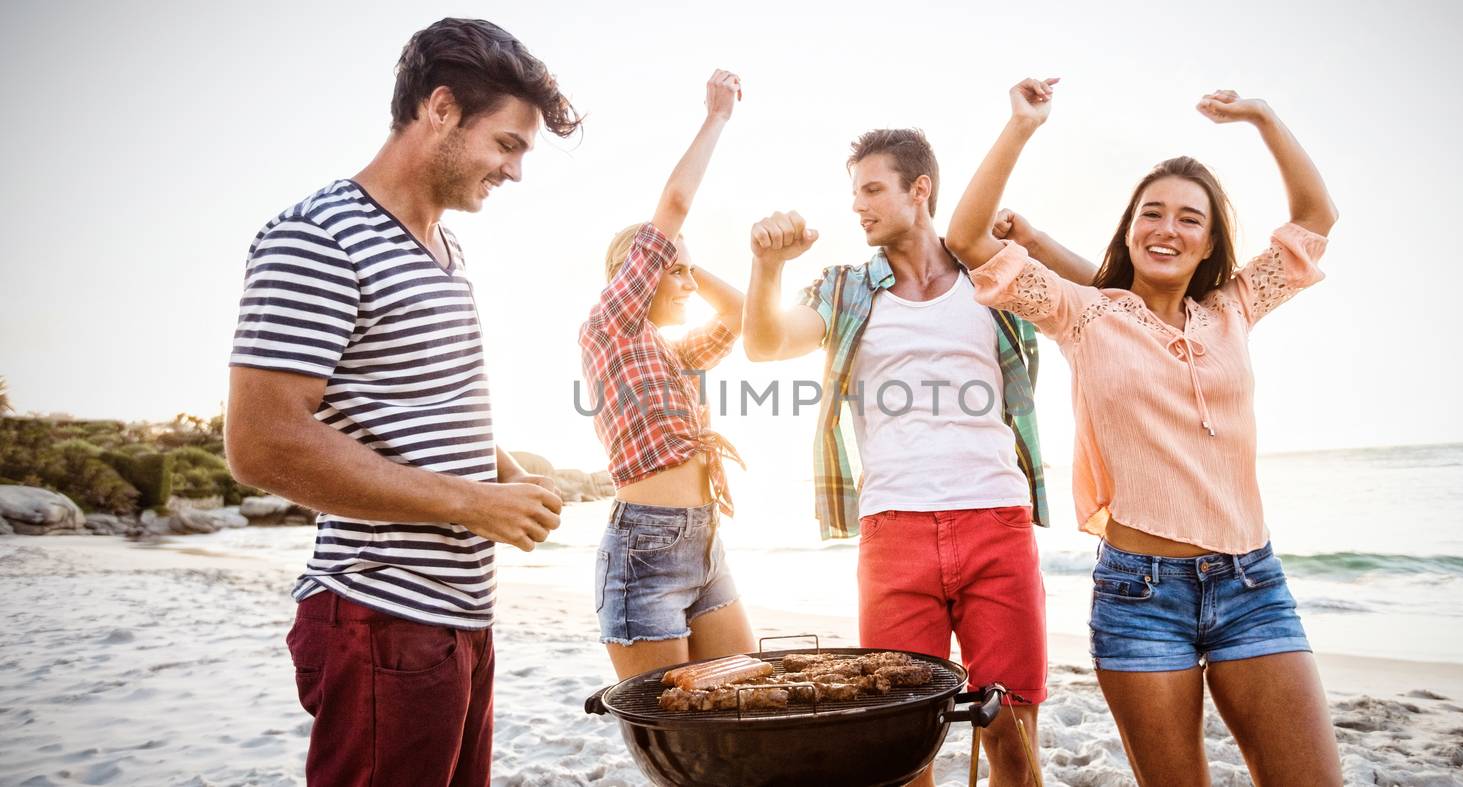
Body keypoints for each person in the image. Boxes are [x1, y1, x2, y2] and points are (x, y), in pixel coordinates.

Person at [943, 77, 1342, 786]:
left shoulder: (1234, 308)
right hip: (1140, 597)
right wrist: (1021, 127)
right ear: (1129, 229)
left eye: (1190, 218)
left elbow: (1315, 217)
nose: (1168, 227)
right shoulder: (1086, 315)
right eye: (1151, 213)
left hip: (1252, 582)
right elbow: (968, 237)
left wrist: (1263, 117)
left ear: (1211, 241)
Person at [223, 18, 576, 786]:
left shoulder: (447, 251)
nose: (515, 171)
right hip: (380, 616)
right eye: (507, 144)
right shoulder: (317, 237)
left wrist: (507, 478)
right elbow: (261, 442)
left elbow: (429, 409)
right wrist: (472, 505)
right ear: (441, 109)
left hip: (459, 622)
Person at [741, 129, 1096, 786]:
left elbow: (1105, 298)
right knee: (903, 753)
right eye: (855, 193)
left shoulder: (996, 276)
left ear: (920, 189)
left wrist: (1032, 231)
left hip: (996, 525)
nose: (858, 206)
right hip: (894, 532)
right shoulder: (846, 289)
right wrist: (768, 267)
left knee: (1013, 744)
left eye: (873, 189)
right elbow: (764, 345)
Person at [580, 70, 755, 681]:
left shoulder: (671, 354)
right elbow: (673, 209)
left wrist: (691, 265)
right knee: (672, 727)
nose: (685, 284)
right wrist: (718, 116)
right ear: (638, 274)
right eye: (672, 271)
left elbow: (742, 313)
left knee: (743, 700)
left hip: (704, 542)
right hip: (644, 551)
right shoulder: (611, 327)